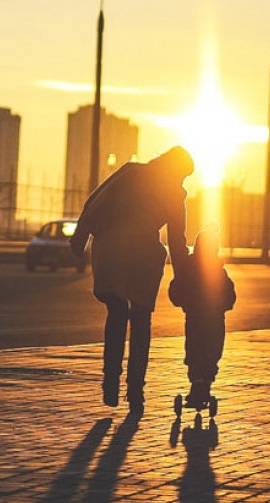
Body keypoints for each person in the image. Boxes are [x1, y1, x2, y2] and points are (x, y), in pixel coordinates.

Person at [70, 146, 194, 415]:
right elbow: (176, 242)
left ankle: (110, 381)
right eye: (183, 175)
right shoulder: (174, 193)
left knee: (116, 313)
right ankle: (135, 390)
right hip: (141, 256)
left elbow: (97, 199)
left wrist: (80, 235)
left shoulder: (132, 172)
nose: (183, 181)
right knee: (140, 322)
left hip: (110, 250)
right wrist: (182, 278)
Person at [168, 224, 236, 408]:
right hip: (215, 318)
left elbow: (175, 290)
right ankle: (205, 383)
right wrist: (225, 305)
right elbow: (229, 294)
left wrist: (184, 303)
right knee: (212, 350)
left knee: (194, 349)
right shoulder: (219, 271)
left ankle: (196, 382)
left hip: (194, 317)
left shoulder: (187, 269)